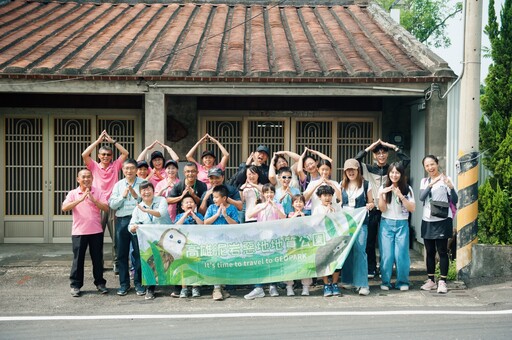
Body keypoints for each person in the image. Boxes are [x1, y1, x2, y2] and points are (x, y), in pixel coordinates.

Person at [354, 139, 410, 279]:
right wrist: (369, 148)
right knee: (370, 240)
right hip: (372, 208)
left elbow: (406, 160)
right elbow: (355, 161)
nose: (381, 155)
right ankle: (371, 268)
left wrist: (392, 146)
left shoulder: (392, 170)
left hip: (389, 208)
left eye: (384, 153)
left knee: (387, 242)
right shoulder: (366, 168)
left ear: (387, 155)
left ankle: (387, 269)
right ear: (374, 155)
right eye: (378, 153)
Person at [82, 130, 129, 274]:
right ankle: (99, 264)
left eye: (108, 155)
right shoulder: (94, 166)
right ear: (99, 155)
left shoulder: (115, 165)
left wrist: (112, 141)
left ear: (112, 156)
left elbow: (125, 154)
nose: (106, 157)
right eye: (103, 154)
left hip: (113, 205)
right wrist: (98, 141)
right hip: (96, 205)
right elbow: (85, 155)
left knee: (116, 237)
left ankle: (116, 263)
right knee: (97, 237)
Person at [62, 169, 109, 297]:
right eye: (83, 177)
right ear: (78, 179)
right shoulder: (73, 193)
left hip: (96, 231)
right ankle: (76, 285)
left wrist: (93, 200)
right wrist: (81, 199)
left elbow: (106, 208)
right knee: (78, 260)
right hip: (79, 232)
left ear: (92, 178)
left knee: (97, 259)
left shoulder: (98, 192)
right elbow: (64, 207)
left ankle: (100, 283)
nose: (86, 179)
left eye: (89, 177)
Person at [419, 155, 458, 294]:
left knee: (442, 251)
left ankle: (442, 282)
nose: (430, 167)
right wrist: (431, 184)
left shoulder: (446, 179)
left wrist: (451, 187)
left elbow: (455, 199)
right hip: (427, 220)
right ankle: (431, 281)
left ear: (437, 163)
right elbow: (421, 198)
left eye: (432, 164)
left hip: (442, 220)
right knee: (429, 251)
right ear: (425, 168)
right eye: (427, 166)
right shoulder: (424, 181)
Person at [128, 180, 172, 300]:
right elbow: (131, 225)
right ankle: (150, 288)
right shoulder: (138, 208)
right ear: (140, 193)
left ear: (153, 191)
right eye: (143, 190)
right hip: (149, 242)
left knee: (170, 261)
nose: (146, 192)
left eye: (149, 189)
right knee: (149, 262)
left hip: (166, 238)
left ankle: (177, 287)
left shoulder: (161, 200)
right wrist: (133, 228)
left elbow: (161, 214)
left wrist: (146, 211)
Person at [108, 159, 145, 297]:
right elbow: (112, 204)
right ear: (122, 170)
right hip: (122, 221)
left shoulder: (143, 183)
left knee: (139, 254)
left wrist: (136, 196)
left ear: (136, 170)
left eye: (131, 168)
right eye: (126, 168)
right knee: (122, 254)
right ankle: (124, 285)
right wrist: (123, 196)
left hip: (138, 221)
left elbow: (148, 201)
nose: (129, 171)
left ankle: (139, 284)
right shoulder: (118, 185)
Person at [377, 162, 415, 291]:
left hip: (402, 224)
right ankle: (385, 281)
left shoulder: (407, 189)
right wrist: (381, 194)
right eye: (392, 172)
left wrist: (400, 196)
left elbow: (412, 208)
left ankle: (402, 282)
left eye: (397, 172)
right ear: (388, 173)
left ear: (401, 174)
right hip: (386, 223)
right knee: (387, 255)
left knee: (401, 255)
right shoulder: (383, 187)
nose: (394, 175)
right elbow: (382, 209)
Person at [244, 184, 286, 299]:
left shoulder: (278, 205)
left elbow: (283, 218)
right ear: (263, 194)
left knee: (272, 262)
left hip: (274, 237)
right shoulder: (260, 205)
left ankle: (273, 286)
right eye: (266, 192)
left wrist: (275, 207)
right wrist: (262, 207)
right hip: (261, 237)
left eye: (271, 192)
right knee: (261, 261)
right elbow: (249, 215)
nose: (269, 194)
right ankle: (259, 287)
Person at [339, 159, 374, 296]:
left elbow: (371, 202)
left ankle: (362, 284)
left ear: (358, 170)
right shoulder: (342, 185)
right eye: (348, 170)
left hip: (361, 223)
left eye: (353, 169)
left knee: (360, 251)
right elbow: (340, 203)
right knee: (347, 251)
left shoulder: (366, 185)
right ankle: (348, 280)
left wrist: (370, 206)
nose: (351, 172)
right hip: (346, 224)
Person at [204, 185, 240, 301]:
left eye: (216, 197)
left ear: (224, 198)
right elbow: (206, 223)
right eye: (213, 197)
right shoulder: (211, 208)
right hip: (214, 240)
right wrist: (217, 214)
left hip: (228, 241)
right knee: (216, 262)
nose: (214, 200)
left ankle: (222, 287)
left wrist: (225, 215)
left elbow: (236, 225)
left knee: (224, 263)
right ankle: (216, 288)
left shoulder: (232, 209)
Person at [312, 185, 342, 297]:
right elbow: (314, 224)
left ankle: (335, 283)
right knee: (324, 261)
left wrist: (334, 214)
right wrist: (325, 214)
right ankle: (326, 284)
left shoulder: (337, 207)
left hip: (335, 238)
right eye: (325, 195)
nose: (327, 198)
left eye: (329, 195)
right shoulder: (317, 209)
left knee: (337, 261)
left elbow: (342, 221)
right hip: (323, 239)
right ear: (320, 197)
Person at [174, 196, 204, 298]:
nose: (189, 204)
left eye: (191, 202)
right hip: (183, 246)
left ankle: (195, 287)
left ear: (195, 205)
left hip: (195, 245)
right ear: (182, 207)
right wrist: (185, 215)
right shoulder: (179, 216)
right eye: (186, 203)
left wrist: (194, 217)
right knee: (183, 266)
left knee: (195, 266)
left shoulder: (198, 215)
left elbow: (203, 225)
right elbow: (176, 226)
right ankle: (184, 288)